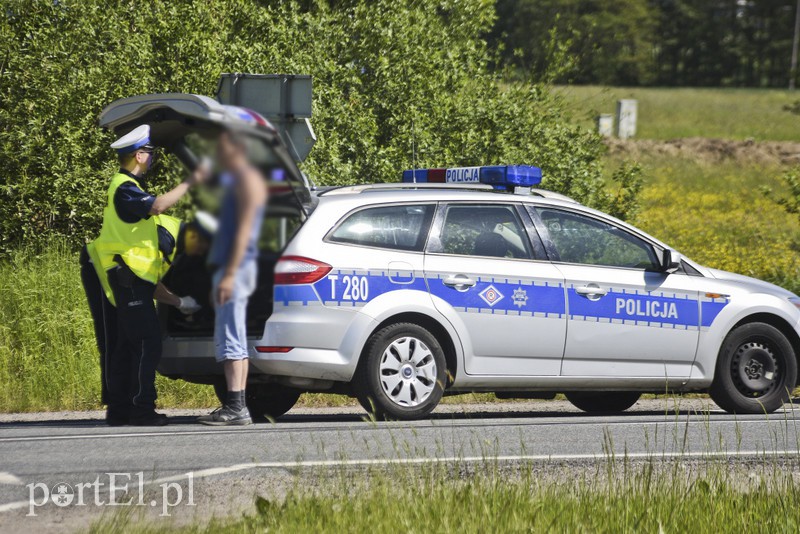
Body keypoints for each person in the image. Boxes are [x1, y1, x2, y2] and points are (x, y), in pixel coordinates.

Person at [87, 124, 204, 426]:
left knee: (128, 346)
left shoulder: (130, 188)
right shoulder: (125, 188)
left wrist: (179, 302)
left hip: (130, 281)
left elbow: (148, 278)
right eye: (149, 153)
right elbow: (158, 206)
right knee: (146, 344)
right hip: (125, 278)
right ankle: (141, 410)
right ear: (139, 155)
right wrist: (191, 181)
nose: (151, 159)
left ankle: (120, 411)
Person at [198, 130, 267, 426]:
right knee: (230, 334)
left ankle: (237, 406)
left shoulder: (247, 182)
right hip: (233, 268)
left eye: (223, 148)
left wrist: (228, 274)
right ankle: (235, 405)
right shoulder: (239, 181)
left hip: (235, 269)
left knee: (232, 337)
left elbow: (242, 233)